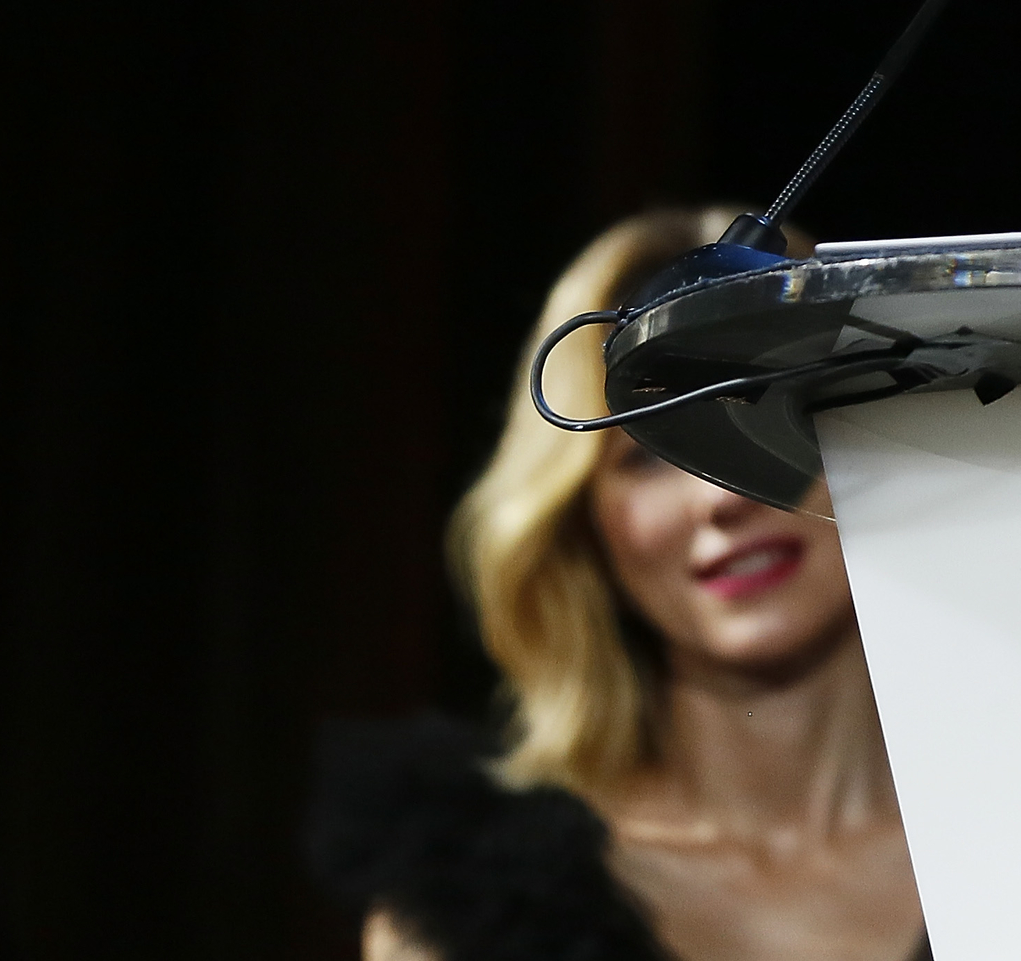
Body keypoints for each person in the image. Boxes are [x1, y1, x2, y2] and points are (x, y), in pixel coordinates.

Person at [309, 208, 924, 961]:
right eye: (650, 450)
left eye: (766, 413)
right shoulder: (461, 914)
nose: (719, 496)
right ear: (581, 525)